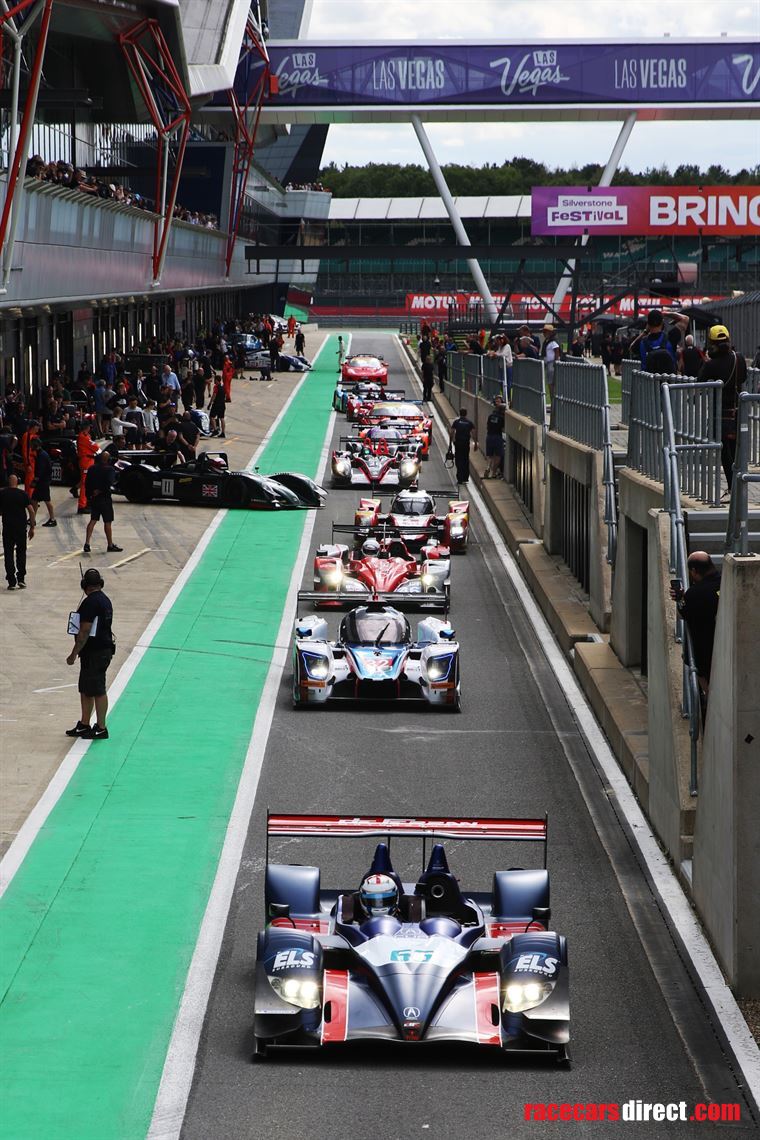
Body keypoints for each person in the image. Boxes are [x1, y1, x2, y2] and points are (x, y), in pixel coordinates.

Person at [65, 567, 115, 740]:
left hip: (96, 652)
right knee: (86, 689)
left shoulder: (90, 603)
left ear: (84, 585)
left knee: (98, 690)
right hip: (99, 651)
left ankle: (101, 727)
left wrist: (73, 654)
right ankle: (84, 724)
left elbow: (84, 631)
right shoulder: (105, 600)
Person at [697, 324, 747, 493]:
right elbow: (745, 377)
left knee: (725, 453)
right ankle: (740, 484)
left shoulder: (712, 365)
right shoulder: (739, 358)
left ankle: (733, 487)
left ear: (712, 344)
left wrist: (707, 362)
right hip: (739, 411)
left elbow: (700, 382)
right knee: (737, 450)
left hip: (721, 414)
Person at [670, 551, 721, 716]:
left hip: (706, 654)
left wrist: (681, 598)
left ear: (693, 571)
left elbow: (681, 614)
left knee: (700, 672)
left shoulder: (694, 594)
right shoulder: (725, 581)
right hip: (725, 648)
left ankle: (710, 708)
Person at [83, 451, 122, 553]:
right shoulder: (109, 469)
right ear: (108, 459)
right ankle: (110, 544)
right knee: (107, 522)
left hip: (94, 499)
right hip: (105, 498)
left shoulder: (92, 468)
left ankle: (87, 543)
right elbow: (109, 482)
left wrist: (89, 495)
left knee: (93, 520)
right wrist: (100, 490)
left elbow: (87, 483)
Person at [0, 474, 35, 589]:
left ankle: (11, 580)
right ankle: (21, 578)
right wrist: (32, 527)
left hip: (8, 528)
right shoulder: (23, 494)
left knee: (8, 553)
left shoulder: (2, 494)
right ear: (17, 482)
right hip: (20, 528)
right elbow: (31, 511)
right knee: (21, 553)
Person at [29, 438, 56, 526]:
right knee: (34, 500)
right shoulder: (42, 454)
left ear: (35, 445)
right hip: (43, 481)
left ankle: (52, 519)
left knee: (47, 500)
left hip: (43, 482)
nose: (30, 446)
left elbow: (40, 471)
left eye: (32, 445)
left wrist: (34, 481)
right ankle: (32, 518)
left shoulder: (41, 456)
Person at [75, 424, 100, 514]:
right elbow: (95, 447)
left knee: (86, 483)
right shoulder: (83, 437)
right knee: (85, 484)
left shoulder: (86, 436)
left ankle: (86, 503)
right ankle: (82, 506)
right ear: (87, 428)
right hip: (86, 461)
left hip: (89, 460)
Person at [449, 408, 477, 484]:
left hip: (458, 443)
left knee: (458, 459)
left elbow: (451, 432)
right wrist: (475, 443)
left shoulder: (456, 422)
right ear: (466, 413)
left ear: (460, 413)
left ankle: (460, 477)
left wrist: (451, 442)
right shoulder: (469, 423)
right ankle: (465, 477)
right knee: (465, 459)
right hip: (465, 444)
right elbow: (473, 433)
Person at [484, 395, 506, 480]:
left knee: (490, 455)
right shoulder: (501, 418)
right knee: (498, 456)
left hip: (489, 436)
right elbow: (503, 429)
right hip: (497, 437)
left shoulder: (491, 416)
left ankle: (487, 467)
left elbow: (487, 426)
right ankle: (493, 473)